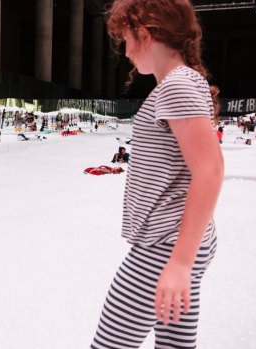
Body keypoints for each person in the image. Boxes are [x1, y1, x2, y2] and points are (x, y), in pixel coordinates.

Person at [90, 1, 224, 348]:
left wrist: (179, 262)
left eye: (127, 41)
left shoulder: (178, 85)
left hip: (164, 245)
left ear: (145, 35)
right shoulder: (179, 84)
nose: (128, 52)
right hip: (174, 240)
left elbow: (209, 171)